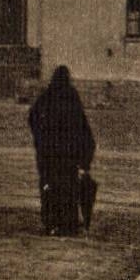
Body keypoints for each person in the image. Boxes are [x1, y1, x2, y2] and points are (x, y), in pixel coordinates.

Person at [28, 65, 96, 236]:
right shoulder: (71, 97)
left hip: (48, 154)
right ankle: (67, 223)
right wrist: (84, 158)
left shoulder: (47, 96)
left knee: (49, 186)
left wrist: (40, 138)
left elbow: (33, 117)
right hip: (67, 154)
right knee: (67, 188)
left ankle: (51, 221)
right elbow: (82, 126)